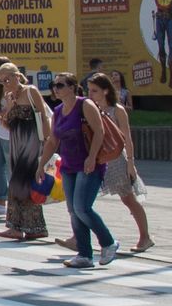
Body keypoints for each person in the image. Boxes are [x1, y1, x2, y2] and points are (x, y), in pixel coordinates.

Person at [48, 74, 119, 267]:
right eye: (53, 85)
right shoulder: (58, 111)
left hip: (89, 164)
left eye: (60, 85)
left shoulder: (85, 105)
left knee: (82, 208)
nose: (56, 88)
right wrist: (40, 165)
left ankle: (108, 243)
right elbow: (53, 140)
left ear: (72, 87)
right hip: (68, 165)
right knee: (73, 210)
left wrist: (91, 156)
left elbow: (99, 131)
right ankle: (85, 255)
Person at [92, 70, 153, 251]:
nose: (90, 94)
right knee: (83, 199)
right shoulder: (91, 108)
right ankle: (78, 237)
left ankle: (145, 237)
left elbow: (127, 137)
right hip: (98, 158)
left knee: (128, 198)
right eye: (89, 90)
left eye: (94, 90)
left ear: (105, 90)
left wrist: (131, 163)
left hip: (117, 158)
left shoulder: (117, 109)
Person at [0, 68, 49, 242]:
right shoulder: (10, 97)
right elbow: (8, 125)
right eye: (1, 81)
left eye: (7, 79)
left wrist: (48, 141)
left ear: (16, 76)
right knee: (21, 183)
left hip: (31, 142)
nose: (5, 83)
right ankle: (26, 227)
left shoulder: (30, 91)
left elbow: (43, 115)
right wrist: (8, 107)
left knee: (20, 183)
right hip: (16, 144)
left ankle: (22, 227)